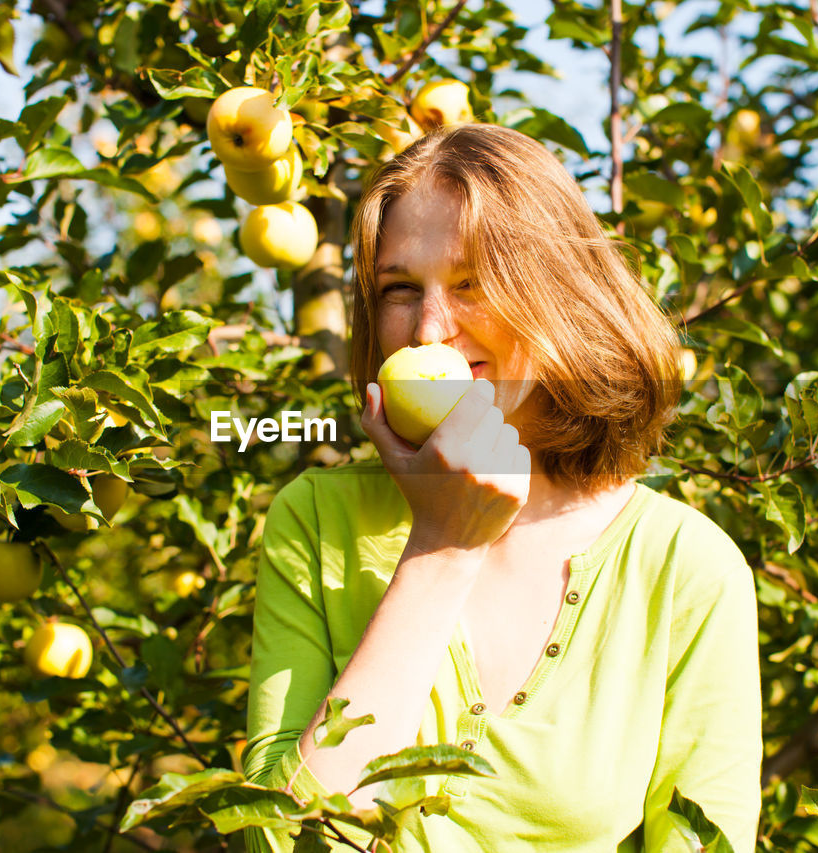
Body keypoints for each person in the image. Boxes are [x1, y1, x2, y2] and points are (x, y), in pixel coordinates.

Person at [242, 124, 762, 852]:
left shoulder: (682, 568)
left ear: (556, 296)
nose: (428, 329)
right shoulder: (318, 519)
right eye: (398, 289)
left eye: (471, 283)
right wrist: (442, 548)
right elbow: (276, 837)